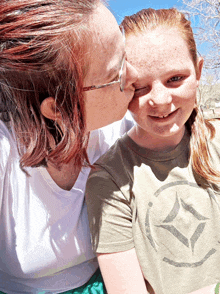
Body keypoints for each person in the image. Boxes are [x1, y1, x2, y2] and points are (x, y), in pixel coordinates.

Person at [0, 0, 138, 293]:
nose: (136, 75)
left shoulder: (122, 130)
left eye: (127, 55)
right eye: (117, 74)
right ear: (58, 109)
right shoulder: (5, 154)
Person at [86, 8, 220, 294]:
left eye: (175, 79)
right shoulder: (109, 179)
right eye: (139, 87)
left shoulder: (216, 140)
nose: (159, 100)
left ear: (198, 72)